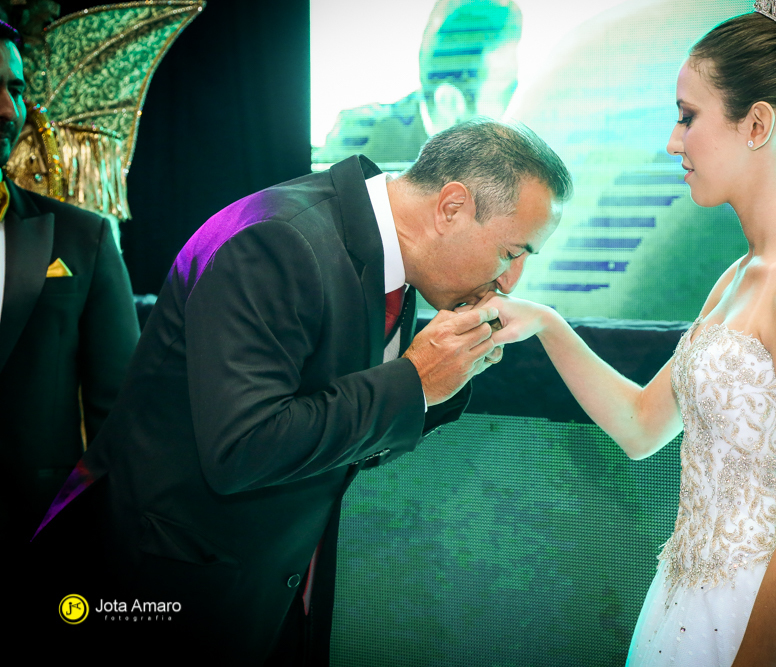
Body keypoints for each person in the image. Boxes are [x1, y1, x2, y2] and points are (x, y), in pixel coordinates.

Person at [33, 118, 571, 662]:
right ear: (451, 207)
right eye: (511, 253)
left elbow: (341, 430)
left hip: (264, 581)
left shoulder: (391, 257)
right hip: (160, 580)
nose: (511, 281)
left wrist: (437, 383)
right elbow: (243, 448)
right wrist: (414, 382)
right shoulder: (276, 239)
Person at [485, 1, 776, 664]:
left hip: (766, 621)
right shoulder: (742, 275)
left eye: (687, 116)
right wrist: (546, 323)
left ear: (757, 124)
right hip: (689, 609)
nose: (673, 141)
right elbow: (641, 426)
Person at [0, 19, 139, 596]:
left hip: (39, 544)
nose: (7, 110)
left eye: (14, 88)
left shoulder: (82, 238)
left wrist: (93, 537)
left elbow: (122, 414)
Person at [313, 0, 521, 166]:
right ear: (449, 102)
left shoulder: (500, 154)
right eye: (506, 90)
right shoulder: (358, 142)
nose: (516, 100)